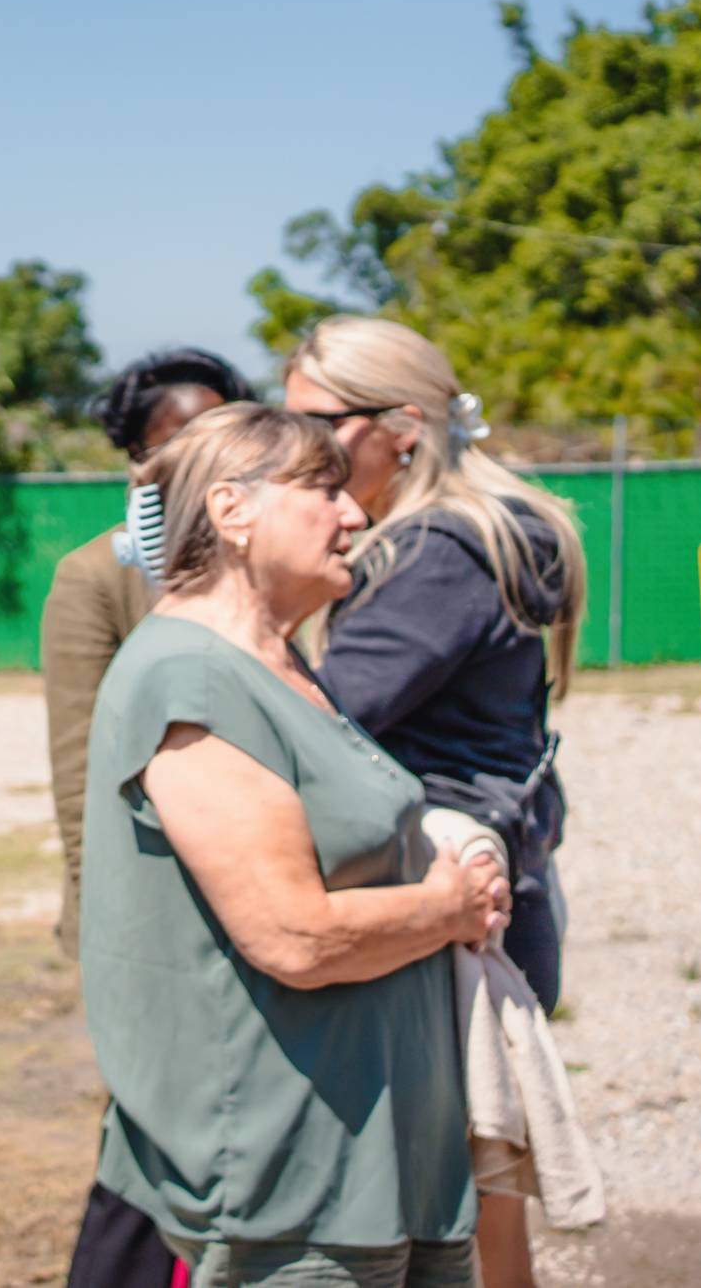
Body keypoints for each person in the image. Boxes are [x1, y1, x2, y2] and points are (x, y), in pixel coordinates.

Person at [81, 404, 511, 1288]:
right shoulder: (188, 675)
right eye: (324, 490)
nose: (355, 512)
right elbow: (295, 935)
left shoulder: (280, 661)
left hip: (388, 1166)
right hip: (297, 1193)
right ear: (233, 512)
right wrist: (447, 907)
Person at [284, 315, 587, 1288]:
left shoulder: (435, 552)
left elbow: (330, 717)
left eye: (317, 426)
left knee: (452, 1206)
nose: (299, 453)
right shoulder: (488, 528)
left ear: (402, 427)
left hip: (447, 909)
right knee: (479, 1196)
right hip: (493, 886)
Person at [39, 348, 250, 1288]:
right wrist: (104, 923)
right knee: (152, 1135)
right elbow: (80, 767)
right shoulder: (99, 578)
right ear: (137, 458)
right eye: (179, 439)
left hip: (261, 886)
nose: (209, 457)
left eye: (224, 431)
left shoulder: (272, 557)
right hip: (150, 903)